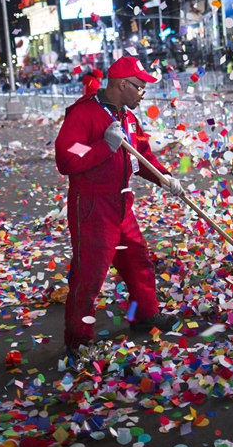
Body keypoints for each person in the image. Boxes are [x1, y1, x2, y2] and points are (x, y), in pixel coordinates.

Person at [54, 56, 182, 360]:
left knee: (138, 262)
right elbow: (67, 157)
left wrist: (164, 178)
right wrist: (104, 146)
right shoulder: (84, 115)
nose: (143, 93)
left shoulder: (129, 117)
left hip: (122, 203)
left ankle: (143, 314)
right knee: (90, 277)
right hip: (93, 206)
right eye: (139, 87)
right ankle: (78, 339)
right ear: (122, 84)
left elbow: (142, 157)